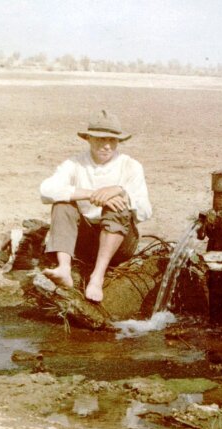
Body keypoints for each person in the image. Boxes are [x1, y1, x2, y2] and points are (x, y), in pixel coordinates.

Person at [39, 110, 152, 302]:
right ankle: (64, 268)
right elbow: (46, 190)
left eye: (112, 140)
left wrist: (120, 191)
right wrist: (92, 195)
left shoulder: (130, 166)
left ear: (118, 142)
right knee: (62, 204)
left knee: (118, 206)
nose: (107, 146)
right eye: (100, 140)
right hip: (81, 243)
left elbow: (145, 211)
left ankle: (97, 277)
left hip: (119, 244)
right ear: (89, 138)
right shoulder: (75, 163)